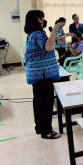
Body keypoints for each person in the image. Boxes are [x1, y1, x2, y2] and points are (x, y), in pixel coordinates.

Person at [24, 10, 63, 140]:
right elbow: (48, 47)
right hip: (43, 74)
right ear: (38, 19)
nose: (44, 19)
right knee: (46, 102)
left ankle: (40, 127)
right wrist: (56, 28)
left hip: (36, 74)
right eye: (42, 17)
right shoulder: (39, 34)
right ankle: (46, 131)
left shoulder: (31, 35)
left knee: (38, 101)